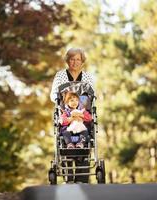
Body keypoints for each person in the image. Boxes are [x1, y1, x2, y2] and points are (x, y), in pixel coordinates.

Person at [50, 47, 94, 183]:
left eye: (78, 59)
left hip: (82, 118)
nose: (75, 62)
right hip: (66, 116)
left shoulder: (87, 77)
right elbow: (53, 95)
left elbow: (93, 96)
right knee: (65, 141)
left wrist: (81, 112)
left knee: (84, 138)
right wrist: (65, 108)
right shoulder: (60, 75)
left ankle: (81, 178)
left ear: (82, 61)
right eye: (72, 59)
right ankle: (68, 178)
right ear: (67, 61)